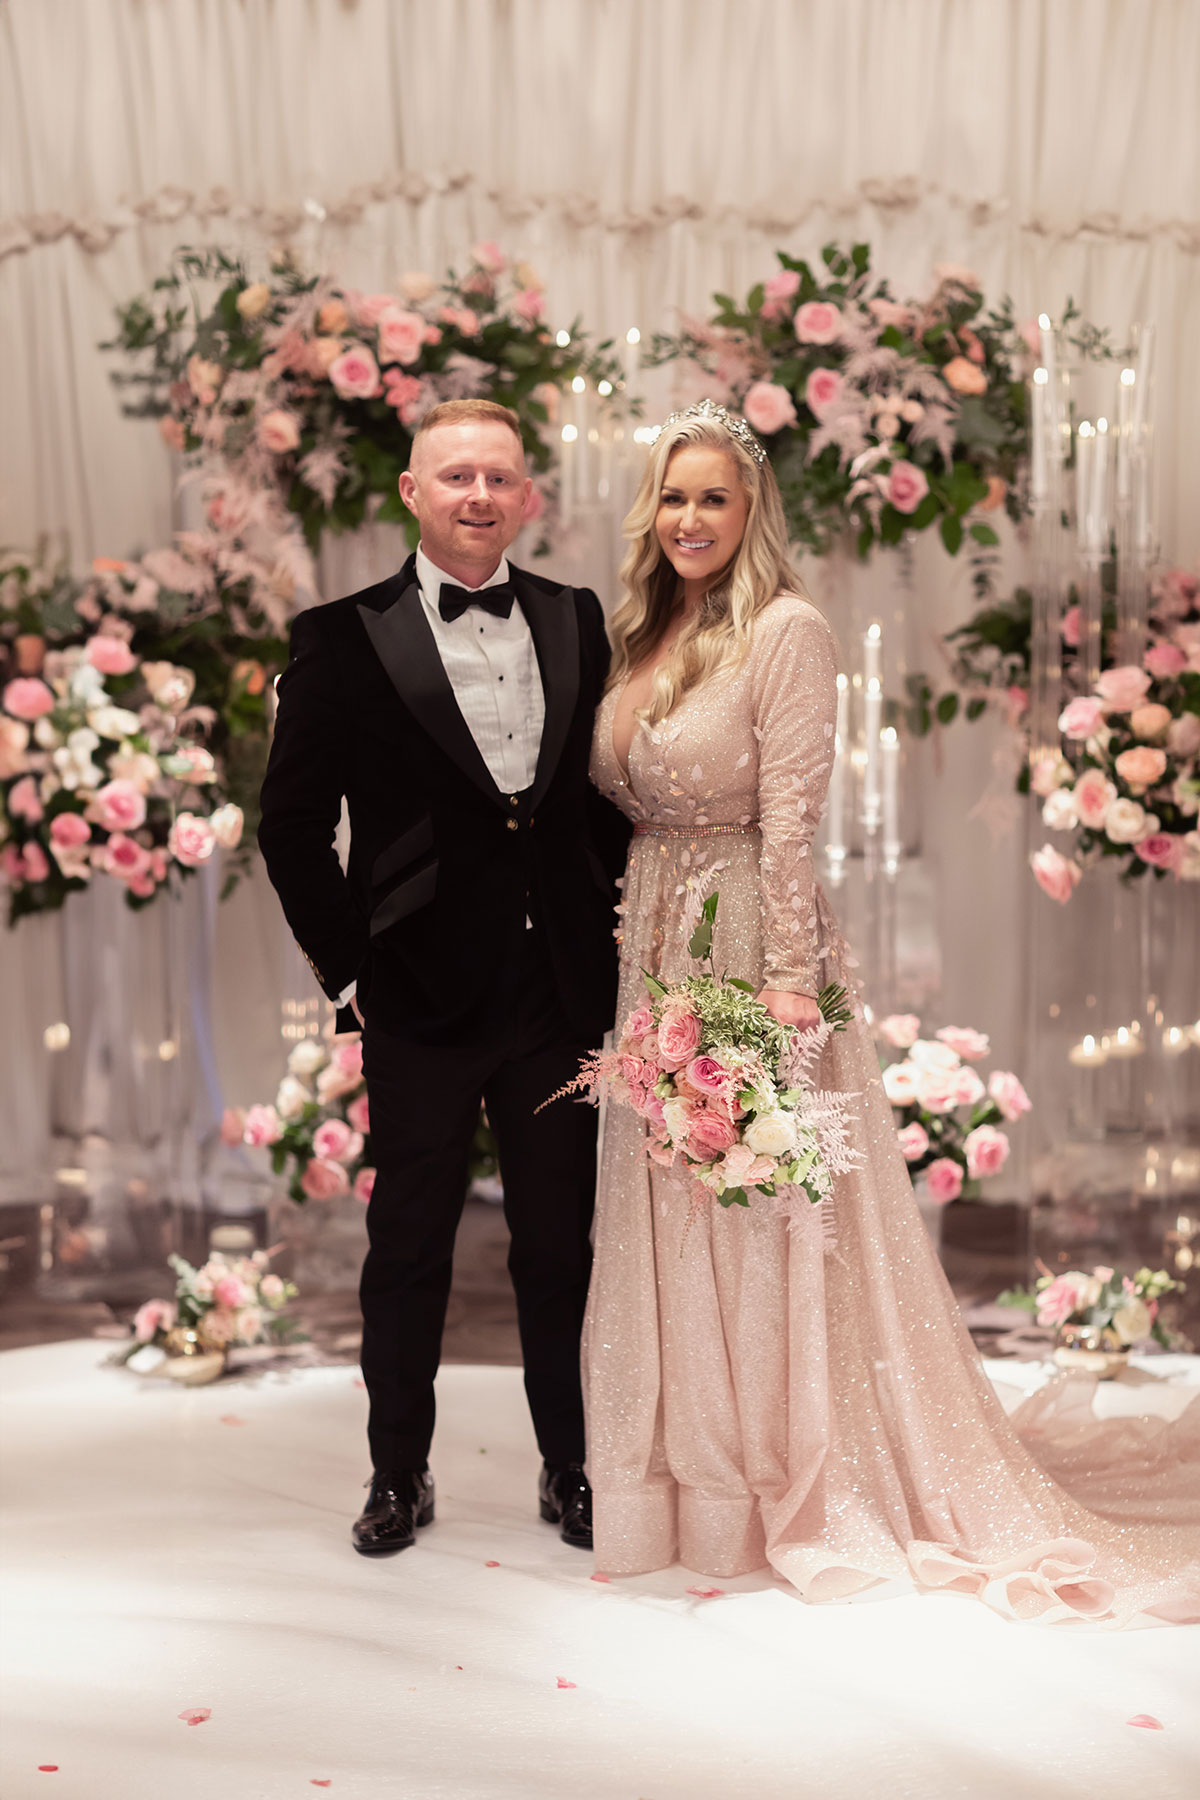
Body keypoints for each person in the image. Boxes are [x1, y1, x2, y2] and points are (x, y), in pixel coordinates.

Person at [582, 398, 1200, 1626]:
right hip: (648, 933)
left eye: (714, 496)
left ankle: (764, 1483)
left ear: (752, 510)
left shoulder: (788, 630)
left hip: (744, 941)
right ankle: (674, 1483)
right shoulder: (643, 631)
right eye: (672, 496)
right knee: (665, 1213)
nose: (691, 518)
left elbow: (794, 825)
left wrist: (787, 993)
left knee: (750, 1213)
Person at [259, 398, 628, 1556]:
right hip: (417, 991)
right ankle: (396, 1474)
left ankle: (572, 1468)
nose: (480, 495)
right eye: (456, 476)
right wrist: (350, 969)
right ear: (412, 494)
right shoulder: (339, 633)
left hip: (559, 989)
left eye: (500, 478)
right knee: (408, 1244)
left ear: (528, 498)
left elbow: (598, 808)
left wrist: (621, 934)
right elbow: (290, 823)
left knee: (561, 1246)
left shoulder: (575, 616)